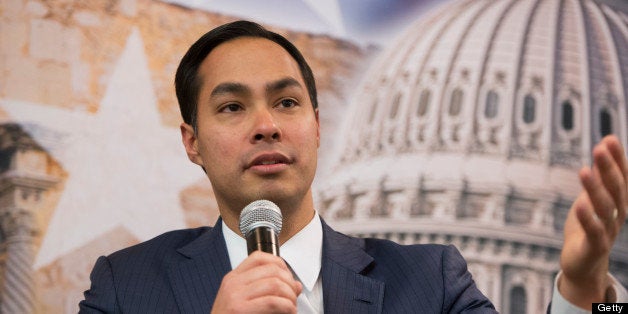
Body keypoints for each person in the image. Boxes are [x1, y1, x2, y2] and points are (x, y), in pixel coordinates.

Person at [79, 20, 627, 313]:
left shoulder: (430, 282)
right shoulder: (127, 287)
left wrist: (584, 296)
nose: (266, 125)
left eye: (287, 102)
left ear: (317, 126)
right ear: (192, 142)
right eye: (232, 107)